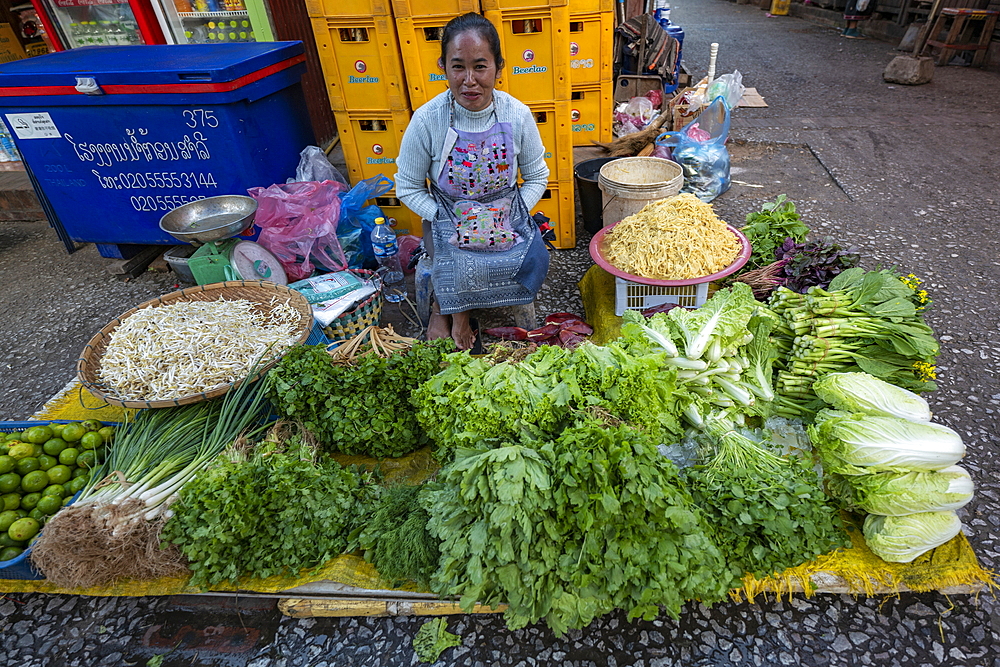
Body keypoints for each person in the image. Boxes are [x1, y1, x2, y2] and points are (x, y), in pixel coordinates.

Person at [394, 12, 550, 351]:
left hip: (505, 214)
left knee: (534, 259)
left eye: (480, 66)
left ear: (498, 67)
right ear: (443, 67)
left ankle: (452, 307)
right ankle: (453, 314)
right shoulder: (427, 120)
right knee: (455, 259)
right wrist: (443, 219)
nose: (469, 80)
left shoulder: (517, 115)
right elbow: (407, 185)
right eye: (457, 66)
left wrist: (511, 215)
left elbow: (537, 176)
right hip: (447, 215)